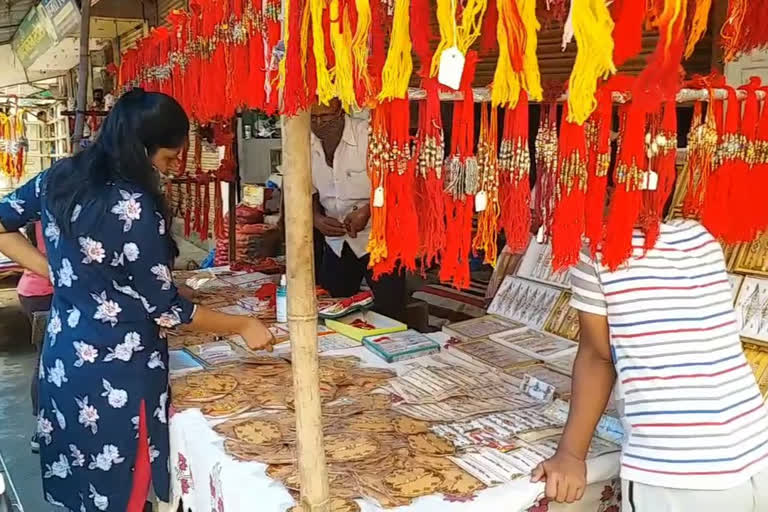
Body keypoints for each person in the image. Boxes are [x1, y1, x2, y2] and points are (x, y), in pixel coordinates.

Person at [0, 89, 275, 512]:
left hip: (66, 362)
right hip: (119, 377)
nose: (168, 170)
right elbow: (168, 309)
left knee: (88, 491)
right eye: (166, 159)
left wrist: (57, 271)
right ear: (141, 148)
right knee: (122, 493)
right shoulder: (132, 205)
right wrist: (242, 325)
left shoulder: (61, 176)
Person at [532, 218, 768, 511]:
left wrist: (570, 454)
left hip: (677, 471)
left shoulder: (594, 249)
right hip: (756, 449)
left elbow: (598, 358)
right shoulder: (701, 237)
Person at [310, 99, 406, 321]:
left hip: (379, 240)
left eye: (325, 118)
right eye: (313, 119)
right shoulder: (304, 141)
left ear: (341, 113)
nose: (318, 124)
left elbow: (396, 184)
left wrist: (368, 211)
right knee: (333, 309)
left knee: (390, 311)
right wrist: (316, 218)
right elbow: (304, 189)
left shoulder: (369, 135)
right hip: (336, 242)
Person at [17, 221, 54, 452]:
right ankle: (41, 430)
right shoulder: (46, 221)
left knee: (47, 357)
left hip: (35, 291)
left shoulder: (36, 219)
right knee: (46, 359)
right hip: (44, 294)